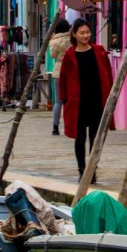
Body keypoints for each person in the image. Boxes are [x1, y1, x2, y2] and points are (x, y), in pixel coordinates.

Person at [58, 19, 114, 173]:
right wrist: (65, 100)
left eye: (87, 32)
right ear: (74, 34)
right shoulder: (69, 56)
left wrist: (110, 97)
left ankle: (92, 170)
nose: (85, 36)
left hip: (97, 101)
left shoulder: (99, 51)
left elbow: (108, 75)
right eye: (82, 33)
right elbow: (63, 79)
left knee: (96, 139)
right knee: (80, 138)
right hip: (78, 103)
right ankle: (82, 169)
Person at [46, 17, 73, 133]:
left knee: (58, 101)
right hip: (72, 71)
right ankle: (70, 124)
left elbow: (52, 55)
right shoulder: (73, 39)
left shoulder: (55, 41)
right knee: (71, 99)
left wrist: (51, 41)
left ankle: (55, 127)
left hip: (58, 72)